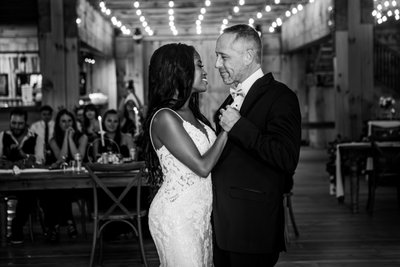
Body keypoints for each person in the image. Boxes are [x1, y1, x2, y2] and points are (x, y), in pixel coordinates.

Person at [212, 24, 302, 266]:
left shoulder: (281, 97)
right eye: (217, 57)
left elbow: (286, 158)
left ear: (249, 56)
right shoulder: (231, 98)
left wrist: (240, 126)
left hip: (252, 227)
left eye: (224, 57)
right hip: (223, 225)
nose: (217, 64)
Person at [142, 43, 228, 266]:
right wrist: (229, 128)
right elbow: (202, 166)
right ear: (179, 71)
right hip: (177, 215)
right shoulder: (164, 118)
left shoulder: (193, 114)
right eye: (199, 65)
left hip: (199, 215)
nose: (206, 70)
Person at [42, 109, 88, 242]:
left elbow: (78, 157)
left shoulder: (83, 137)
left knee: (62, 191)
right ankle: (66, 222)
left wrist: (69, 139)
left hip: (79, 181)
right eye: (63, 121)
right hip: (60, 181)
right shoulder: (53, 140)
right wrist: (65, 140)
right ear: (58, 123)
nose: (67, 124)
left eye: (69, 121)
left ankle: (56, 226)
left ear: (73, 122)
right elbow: (61, 158)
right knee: (55, 192)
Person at [0, 108, 44, 244]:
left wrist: (23, 155)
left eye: (20, 123)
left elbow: (40, 160)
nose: (16, 127)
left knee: (29, 195)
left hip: (27, 181)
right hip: (5, 181)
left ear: (26, 123)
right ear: (10, 122)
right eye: (14, 123)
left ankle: (16, 227)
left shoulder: (36, 137)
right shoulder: (2, 136)